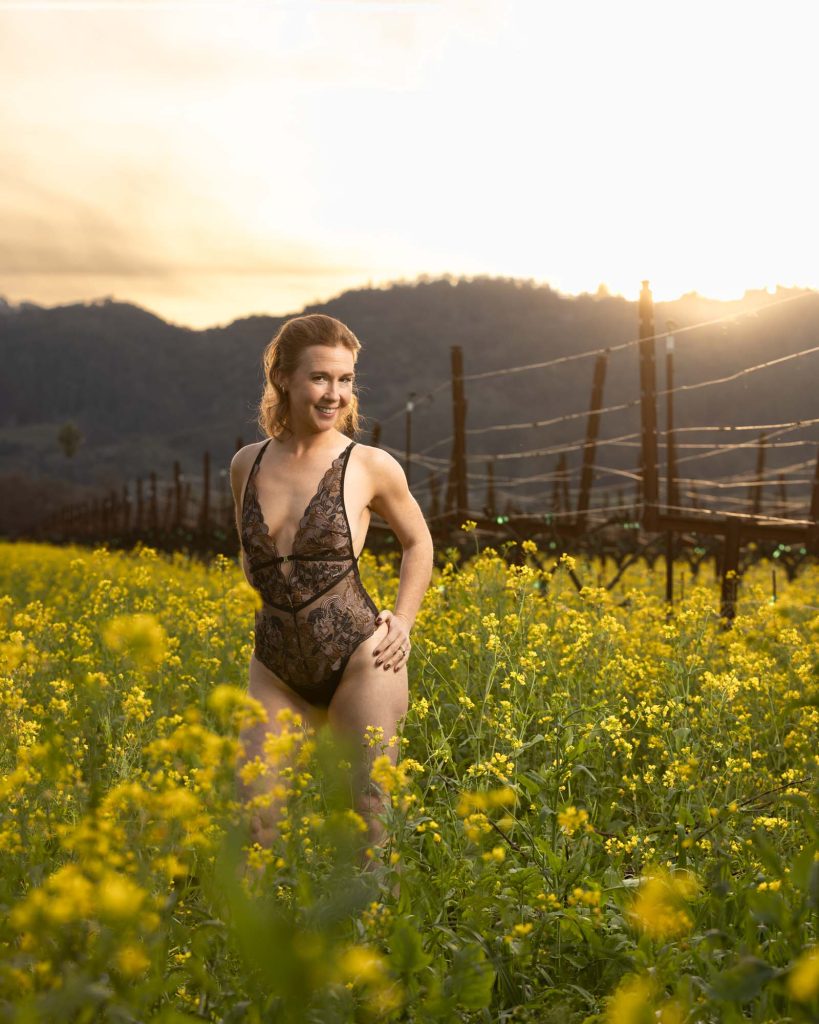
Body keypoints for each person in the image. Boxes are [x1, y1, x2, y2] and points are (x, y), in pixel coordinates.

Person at [229, 313, 434, 864]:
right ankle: (251, 946)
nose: (335, 394)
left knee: (368, 814)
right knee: (254, 815)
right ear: (285, 380)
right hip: (274, 667)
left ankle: (371, 941)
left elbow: (419, 543)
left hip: (360, 660)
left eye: (345, 380)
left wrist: (404, 620)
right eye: (321, 378)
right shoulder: (246, 465)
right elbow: (253, 555)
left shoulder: (370, 465)